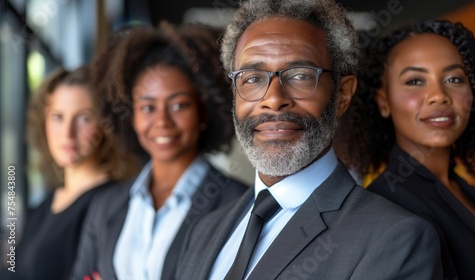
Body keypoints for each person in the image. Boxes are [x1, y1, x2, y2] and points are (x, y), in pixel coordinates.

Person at [175, 1, 443, 279]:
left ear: (343, 94)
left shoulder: (394, 239)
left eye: (300, 76)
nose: (274, 100)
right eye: (253, 78)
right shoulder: (203, 231)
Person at [71, 23, 248, 280]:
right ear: (131, 117)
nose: (162, 121)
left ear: (203, 112)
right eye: (148, 107)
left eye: (178, 105)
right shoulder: (106, 205)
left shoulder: (238, 204)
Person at [335, 19, 475, 279]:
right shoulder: (385, 207)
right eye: (414, 81)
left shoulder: (465, 190)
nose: (439, 95)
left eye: (454, 78)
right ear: (383, 101)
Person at [10, 66, 136, 280]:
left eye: (84, 118)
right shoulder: (46, 203)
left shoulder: (115, 206)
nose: (67, 133)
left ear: (105, 126)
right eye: (58, 117)